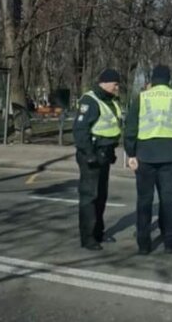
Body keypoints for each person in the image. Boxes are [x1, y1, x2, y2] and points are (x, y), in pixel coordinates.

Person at [124, 64, 172, 255]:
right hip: (169, 156)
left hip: (145, 155)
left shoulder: (141, 98)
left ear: (153, 79)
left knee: (144, 201)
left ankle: (143, 244)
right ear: (168, 79)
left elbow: (131, 127)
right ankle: (170, 242)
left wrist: (130, 153)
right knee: (168, 201)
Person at [73, 68, 122, 250]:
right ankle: (88, 238)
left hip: (105, 153)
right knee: (89, 196)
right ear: (105, 82)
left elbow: (111, 127)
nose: (117, 88)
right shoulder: (90, 100)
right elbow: (80, 130)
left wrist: (111, 151)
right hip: (92, 153)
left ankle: (98, 232)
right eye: (115, 84)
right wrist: (89, 154)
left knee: (101, 196)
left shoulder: (109, 101)